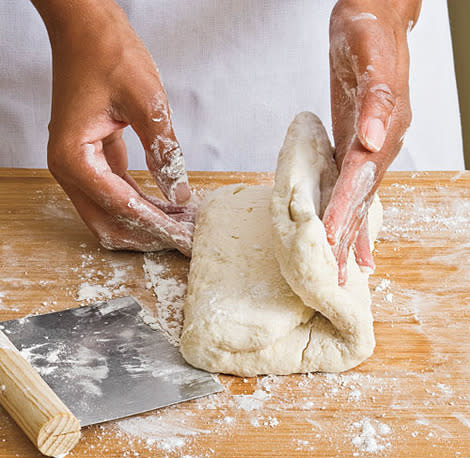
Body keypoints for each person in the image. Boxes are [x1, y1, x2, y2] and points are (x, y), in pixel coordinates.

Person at [1, 1, 463, 284]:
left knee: (364, 177)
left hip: (332, 31)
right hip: (66, 44)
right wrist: (77, 20)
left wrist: (387, 6)